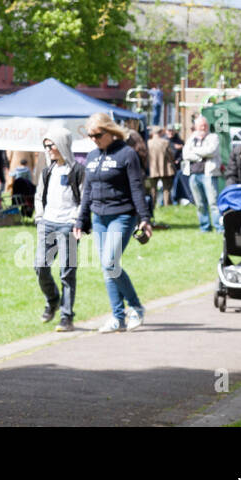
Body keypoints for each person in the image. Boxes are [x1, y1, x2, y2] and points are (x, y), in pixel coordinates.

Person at [75, 112, 152, 333]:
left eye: (98, 135)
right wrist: (81, 219)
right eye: (90, 136)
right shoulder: (91, 157)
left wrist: (144, 218)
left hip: (122, 215)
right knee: (108, 268)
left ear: (110, 132)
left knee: (110, 263)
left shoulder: (127, 154)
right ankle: (118, 318)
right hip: (99, 217)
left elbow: (137, 188)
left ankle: (136, 307)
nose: (94, 139)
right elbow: (87, 191)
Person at [36, 126, 84, 332]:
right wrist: (39, 217)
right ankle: (52, 299)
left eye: (51, 145)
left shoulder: (77, 171)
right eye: (46, 146)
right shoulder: (48, 171)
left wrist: (76, 220)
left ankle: (66, 316)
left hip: (68, 225)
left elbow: (84, 199)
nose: (48, 149)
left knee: (67, 272)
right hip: (47, 223)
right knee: (40, 267)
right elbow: (39, 195)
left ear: (62, 145)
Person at [183, 115, 222, 232]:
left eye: (205, 125)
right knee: (199, 203)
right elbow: (185, 154)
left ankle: (219, 227)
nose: (203, 127)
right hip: (194, 174)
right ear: (196, 127)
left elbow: (211, 151)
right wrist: (201, 155)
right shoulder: (191, 138)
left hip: (208, 174)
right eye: (201, 125)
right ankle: (204, 227)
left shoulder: (213, 137)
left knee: (213, 202)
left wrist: (195, 153)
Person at [146, 127, 175, 208]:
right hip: (165, 169)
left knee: (153, 189)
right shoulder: (165, 142)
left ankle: (152, 205)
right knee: (166, 189)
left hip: (152, 169)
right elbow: (171, 155)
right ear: (160, 132)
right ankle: (167, 206)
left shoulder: (148, 143)